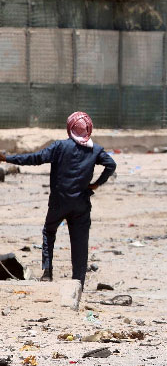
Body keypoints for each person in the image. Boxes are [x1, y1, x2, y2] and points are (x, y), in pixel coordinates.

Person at [0, 112, 116, 285]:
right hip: (81, 203)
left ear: (69, 128)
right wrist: (97, 183)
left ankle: (47, 271)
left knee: (49, 231)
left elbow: (34, 158)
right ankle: (78, 282)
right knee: (80, 243)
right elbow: (111, 165)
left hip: (59, 202)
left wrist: (7, 158)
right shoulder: (96, 150)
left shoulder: (59, 147)